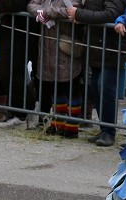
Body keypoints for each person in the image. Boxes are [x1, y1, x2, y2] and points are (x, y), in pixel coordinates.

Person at [71, 0, 126, 144]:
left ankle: (109, 132)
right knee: (96, 87)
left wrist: (80, 14)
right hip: (98, 45)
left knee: (105, 88)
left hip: (111, 46)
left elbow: (111, 14)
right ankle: (104, 129)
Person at [29, 0, 86, 136]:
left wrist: (45, 12)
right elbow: (31, 5)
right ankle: (58, 124)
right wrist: (40, 11)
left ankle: (72, 127)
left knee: (71, 87)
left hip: (66, 44)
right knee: (56, 85)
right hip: (48, 46)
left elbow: (73, 10)